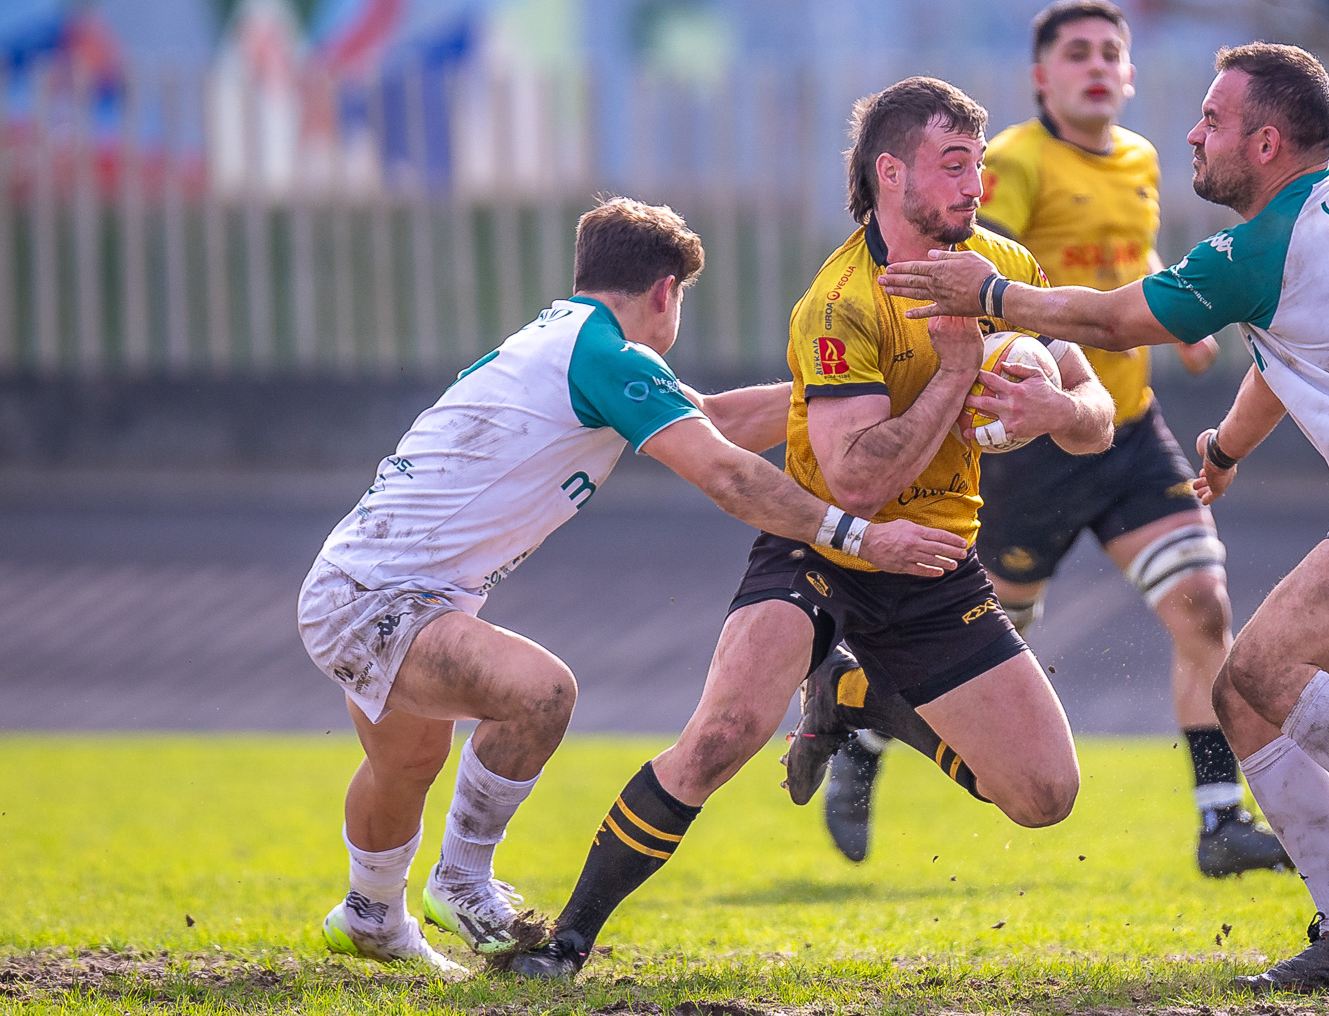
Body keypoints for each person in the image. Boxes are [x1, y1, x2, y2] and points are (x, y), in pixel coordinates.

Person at [881, 43, 1329, 991]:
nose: (1192, 132)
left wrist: (990, 295)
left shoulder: (1263, 244)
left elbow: (1114, 322)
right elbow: (1282, 358)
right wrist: (1223, 447)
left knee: (1264, 666)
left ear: (1266, 144)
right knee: (1241, 693)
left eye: (1214, 120)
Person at [502, 76, 1115, 978]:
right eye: (954, 165)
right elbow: (856, 479)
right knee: (722, 735)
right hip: (821, 542)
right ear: (891, 173)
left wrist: (1058, 410)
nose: (976, 185)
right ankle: (565, 944)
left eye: (978, 164)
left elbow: (1100, 413)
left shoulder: (1004, 267)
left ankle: (855, 694)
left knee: (1044, 793)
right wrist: (954, 376)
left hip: (933, 561)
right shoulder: (839, 301)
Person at [299, 197, 966, 976]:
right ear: (664, 291)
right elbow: (725, 472)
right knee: (540, 694)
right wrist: (858, 535)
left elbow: (711, 418)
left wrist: (852, 396)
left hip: (358, 580)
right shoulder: (610, 357)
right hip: (378, 598)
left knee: (407, 762)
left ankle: (370, 913)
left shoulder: (572, 340)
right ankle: (463, 880)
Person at [820, 0, 1288, 878]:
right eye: (1078, 53)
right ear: (1041, 77)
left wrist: (1180, 323)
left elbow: (1129, 250)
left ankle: (1220, 819)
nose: (1097, 66)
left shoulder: (1142, 158)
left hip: (1125, 426)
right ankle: (864, 721)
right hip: (1024, 441)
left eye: (1112, 52)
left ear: (1131, 72)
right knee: (997, 634)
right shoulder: (1010, 164)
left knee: (1204, 604)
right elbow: (965, 265)